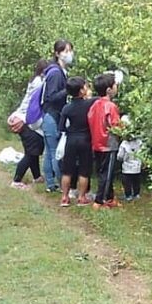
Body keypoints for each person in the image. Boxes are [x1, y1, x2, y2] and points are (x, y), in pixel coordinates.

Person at [40, 40, 75, 193]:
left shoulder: (57, 71)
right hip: (52, 115)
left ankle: (50, 184)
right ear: (57, 53)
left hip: (49, 115)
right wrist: (68, 90)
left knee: (49, 150)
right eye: (65, 51)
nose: (69, 54)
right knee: (55, 152)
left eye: (70, 50)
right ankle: (63, 185)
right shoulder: (55, 73)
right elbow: (51, 96)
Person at [10, 59, 48, 189]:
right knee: (31, 154)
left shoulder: (34, 80)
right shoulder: (40, 83)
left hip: (23, 118)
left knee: (33, 152)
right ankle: (16, 180)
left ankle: (37, 176)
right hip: (28, 121)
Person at [57, 76, 94, 207]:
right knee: (84, 170)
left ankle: (65, 197)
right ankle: (82, 197)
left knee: (67, 170)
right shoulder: (89, 104)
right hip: (85, 140)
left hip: (71, 140)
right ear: (82, 90)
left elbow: (61, 127)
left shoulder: (67, 108)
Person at [87, 71, 121, 209]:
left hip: (96, 143)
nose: (116, 87)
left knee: (103, 172)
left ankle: (110, 197)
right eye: (115, 85)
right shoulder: (111, 106)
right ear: (109, 89)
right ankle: (99, 201)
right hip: (108, 144)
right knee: (107, 174)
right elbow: (116, 126)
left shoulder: (95, 104)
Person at [117, 120, 143, 201]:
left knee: (127, 182)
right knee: (136, 181)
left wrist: (120, 159)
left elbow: (120, 156)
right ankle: (136, 194)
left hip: (127, 168)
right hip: (137, 167)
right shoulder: (139, 142)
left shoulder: (124, 144)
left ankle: (128, 195)